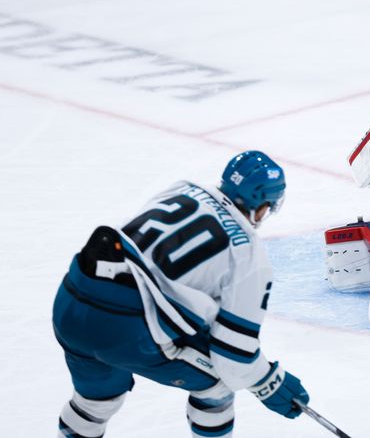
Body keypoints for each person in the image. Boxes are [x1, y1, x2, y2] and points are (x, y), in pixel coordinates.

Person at [52, 151, 309, 438]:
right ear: (262, 206)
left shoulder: (182, 188)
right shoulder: (249, 255)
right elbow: (233, 358)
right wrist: (270, 381)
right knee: (218, 385)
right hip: (124, 328)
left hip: (72, 299)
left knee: (95, 401)